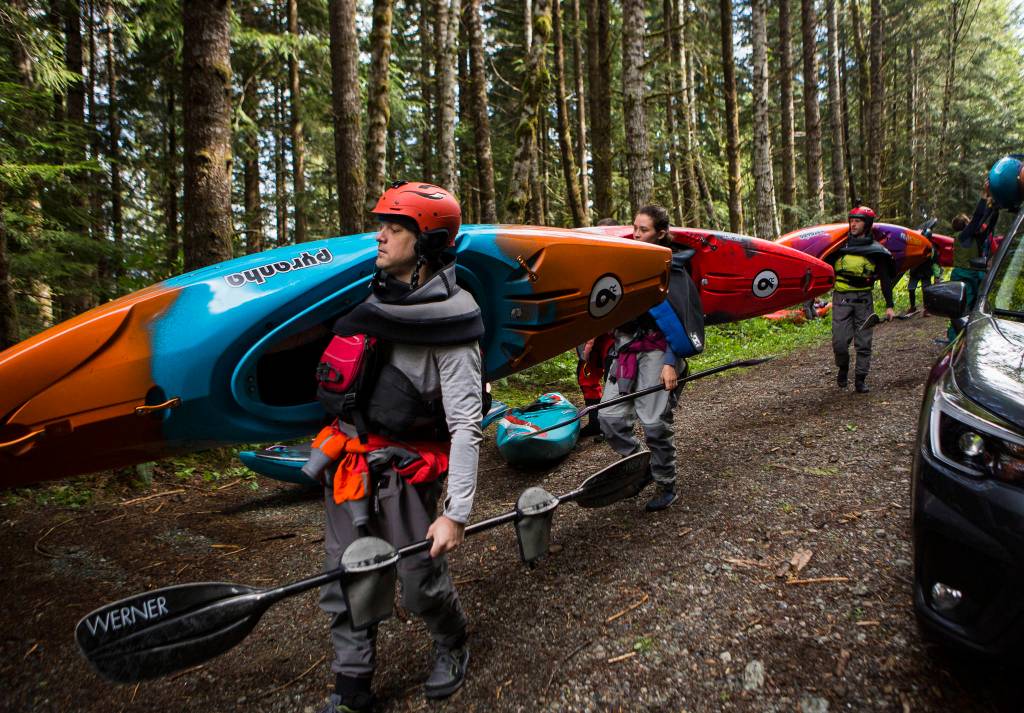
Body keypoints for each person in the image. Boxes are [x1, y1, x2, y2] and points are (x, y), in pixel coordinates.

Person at [310, 181, 483, 713]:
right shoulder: (376, 295)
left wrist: (455, 514)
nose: (379, 235)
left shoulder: (453, 322)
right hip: (352, 461)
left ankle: (452, 640)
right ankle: (352, 684)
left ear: (426, 242)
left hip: (407, 471)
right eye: (381, 222)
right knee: (347, 574)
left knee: (418, 581)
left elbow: (466, 424)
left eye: (395, 226)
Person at [597, 205, 704, 512]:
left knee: (655, 422)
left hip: (660, 349)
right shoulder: (625, 264)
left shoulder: (675, 270)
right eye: (634, 228)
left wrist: (672, 361)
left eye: (643, 229)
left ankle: (666, 483)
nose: (636, 234)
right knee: (609, 417)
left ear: (660, 233)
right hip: (627, 349)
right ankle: (639, 465)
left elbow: (684, 318)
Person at [827, 206, 895, 394]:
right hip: (841, 299)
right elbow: (822, 268)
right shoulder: (838, 247)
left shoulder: (876, 251)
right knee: (839, 343)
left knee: (864, 342)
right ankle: (843, 367)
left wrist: (890, 306)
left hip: (864, 301)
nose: (853, 224)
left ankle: (860, 379)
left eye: (857, 221)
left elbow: (885, 279)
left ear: (867, 224)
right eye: (851, 220)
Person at [947, 182, 999, 341]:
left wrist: (994, 209)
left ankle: (972, 338)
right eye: (968, 222)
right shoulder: (963, 237)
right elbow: (977, 219)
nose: (971, 224)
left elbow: (988, 227)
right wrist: (985, 196)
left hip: (974, 277)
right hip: (963, 278)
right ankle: (956, 341)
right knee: (962, 311)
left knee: (977, 309)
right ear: (964, 226)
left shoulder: (974, 238)